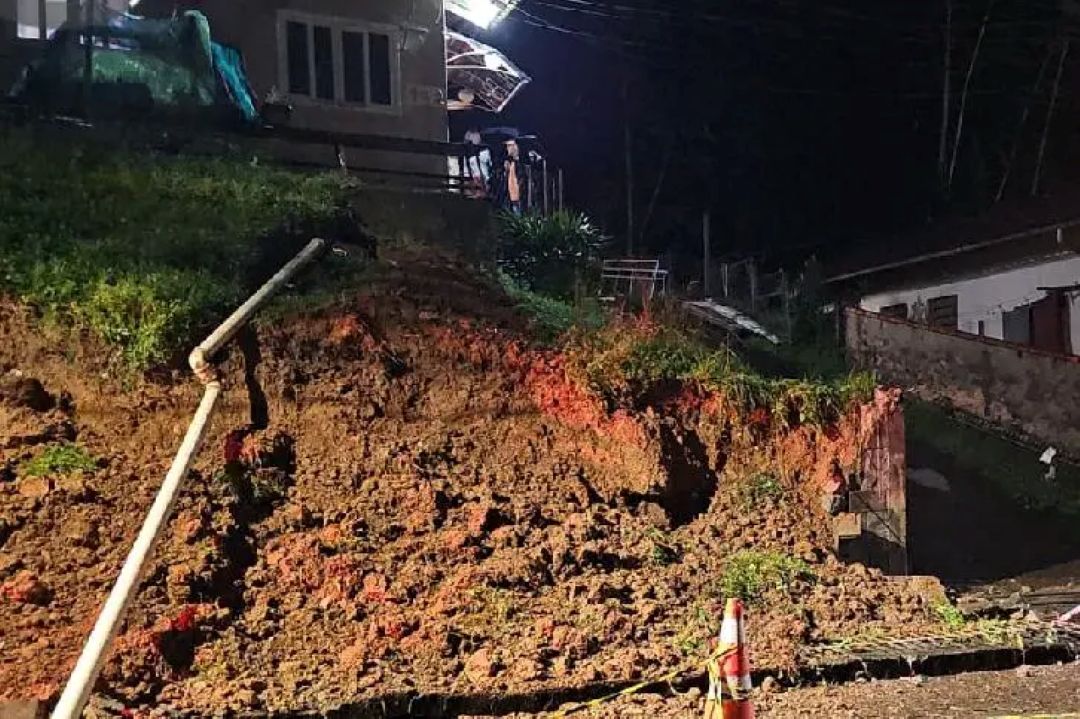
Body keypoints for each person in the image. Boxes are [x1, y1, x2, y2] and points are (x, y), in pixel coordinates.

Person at [462, 129, 492, 199]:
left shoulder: (485, 153)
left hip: (480, 177)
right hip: (472, 177)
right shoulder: (467, 156)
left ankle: (479, 194)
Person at [501, 139, 523, 214]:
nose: (507, 148)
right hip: (510, 196)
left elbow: (521, 178)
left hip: (518, 197)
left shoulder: (520, 163)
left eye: (509, 146)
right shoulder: (510, 162)